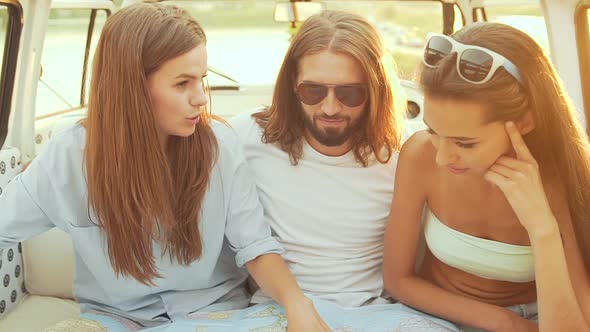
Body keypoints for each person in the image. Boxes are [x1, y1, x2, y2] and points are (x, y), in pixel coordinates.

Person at [0, 3, 330, 331]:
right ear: (133, 88)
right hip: (114, 320)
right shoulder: (67, 156)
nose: (201, 98)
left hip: (215, 316)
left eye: (201, 79)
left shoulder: (221, 146)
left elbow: (255, 247)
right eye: (182, 83)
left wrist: (297, 304)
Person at [383, 22, 590, 331]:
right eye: (433, 131)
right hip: (439, 317)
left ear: (523, 123)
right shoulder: (420, 155)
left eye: (465, 143)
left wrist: (542, 228)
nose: (442, 156)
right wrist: (504, 323)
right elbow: (398, 281)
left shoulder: (560, 179)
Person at [230, 10, 407, 307]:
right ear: (292, 84)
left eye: (349, 94)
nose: (329, 108)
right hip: (275, 311)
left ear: (376, 90)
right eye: (312, 91)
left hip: (373, 311)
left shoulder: (402, 153)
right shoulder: (244, 136)